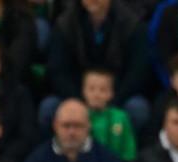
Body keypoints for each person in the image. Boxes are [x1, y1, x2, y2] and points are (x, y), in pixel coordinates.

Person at [44, 0, 149, 130]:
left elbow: (137, 71)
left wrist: (112, 99)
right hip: (76, 93)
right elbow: (57, 70)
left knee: (137, 108)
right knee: (49, 107)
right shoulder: (65, 23)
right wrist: (79, 100)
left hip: (118, 94)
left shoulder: (131, 24)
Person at [82, 67, 137, 162]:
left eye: (102, 90)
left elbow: (129, 150)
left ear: (111, 93)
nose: (96, 94)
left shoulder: (120, 117)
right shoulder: (79, 117)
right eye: (91, 89)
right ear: (84, 91)